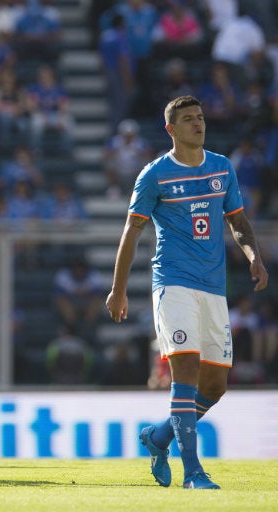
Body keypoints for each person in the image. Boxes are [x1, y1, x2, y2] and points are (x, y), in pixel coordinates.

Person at [105, 95, 269, 490]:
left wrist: (254, 256)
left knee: (215, 387)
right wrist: (118, 289)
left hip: (214, 288)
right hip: (173, 284)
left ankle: (158, 438)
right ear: (170, 129)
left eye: (200, 117)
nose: (198, 123)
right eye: (188, 119)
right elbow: (132, 231)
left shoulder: (221, 167)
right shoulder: (154, 175)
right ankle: (193, 472)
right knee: (186, 375)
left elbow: (238, 221)